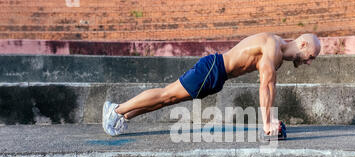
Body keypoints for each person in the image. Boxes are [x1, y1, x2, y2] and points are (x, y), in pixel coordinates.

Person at [102, 32, 321, 137]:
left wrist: (272, 119)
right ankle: (116, 109)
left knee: (167, 100)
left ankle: (124, 116)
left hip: (216, 76)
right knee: (166, 94)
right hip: (212, 70)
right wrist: (266, 124)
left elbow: (271, 87)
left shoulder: (279, 54)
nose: (309, 62)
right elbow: (265, 86)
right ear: (302, 44)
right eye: (310, 56)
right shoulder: (272, 47)